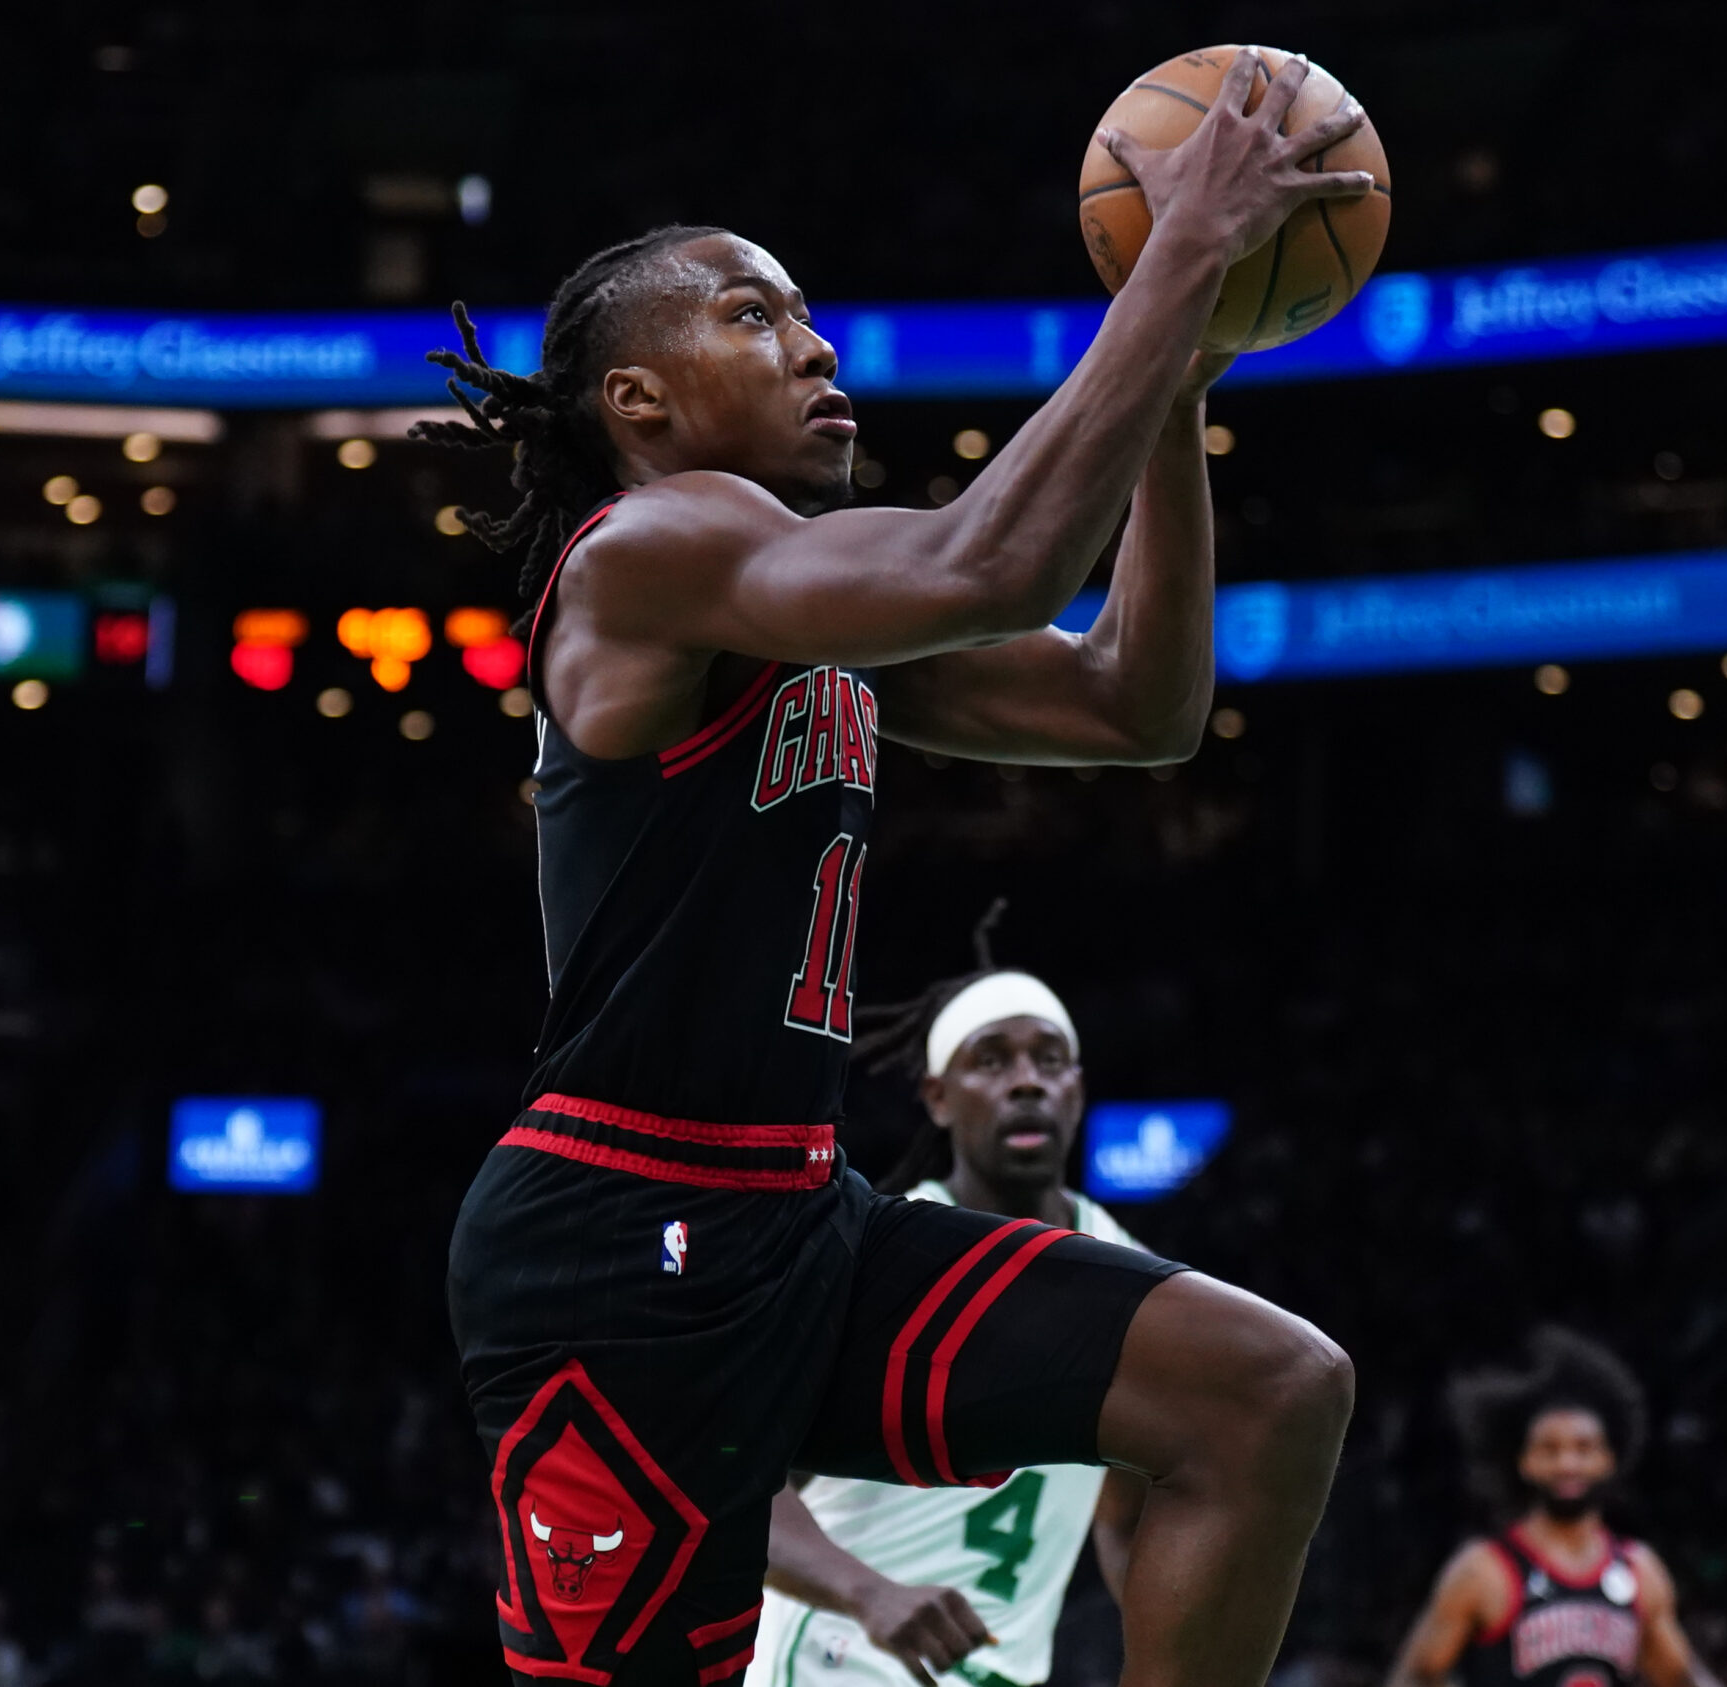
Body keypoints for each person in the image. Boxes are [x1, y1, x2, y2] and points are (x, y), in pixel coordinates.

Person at [427, 49, 1372, 1687]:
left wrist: (1181, 382)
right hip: (618, 1248)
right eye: (749, 316)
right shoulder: (649, 552)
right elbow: (994, 560)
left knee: (1267, 1392)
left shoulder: (794, 599)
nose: (814, 345)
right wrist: (1170, 273)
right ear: (637, 405)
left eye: (804, 312)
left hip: (804, 1223)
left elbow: (1135, 705)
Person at [747, 952, 1150, 1687]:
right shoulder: (872, 1260)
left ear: (1077, 1088)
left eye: (1048, 1059)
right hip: (837, 1660)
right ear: (937, 1096)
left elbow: (1125, 1522)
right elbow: (734, 1480)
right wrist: (868, 1592)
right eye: (991, 1060)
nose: (1026, 1079)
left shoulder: (1140, 1285)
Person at [1386, 1329, 1721, 1687]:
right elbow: (1413, 1677)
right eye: (1549, 1449)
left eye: (1584, 1448)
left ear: (1609, 1459)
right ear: (1524, 1462)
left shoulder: (1639, 1571)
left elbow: (1682, 1678)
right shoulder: (1483, 1570)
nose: (1567, 1463)